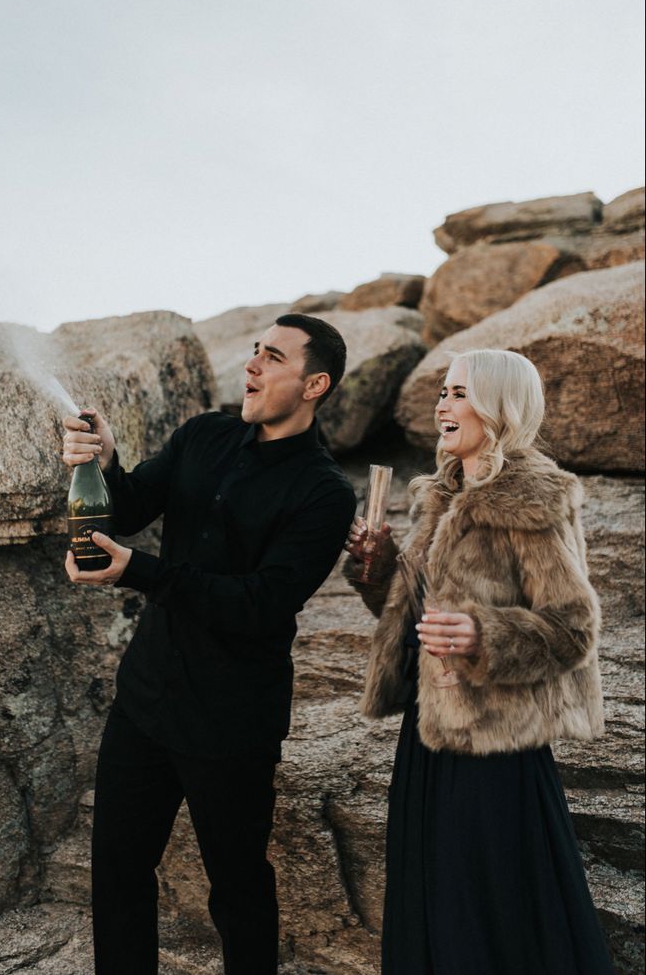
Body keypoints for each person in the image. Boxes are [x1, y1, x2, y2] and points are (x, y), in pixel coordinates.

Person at [61, 313, 356, 975]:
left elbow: (261, 604)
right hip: (144, 699)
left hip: (231, 722)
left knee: (239, 888)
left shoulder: (325, 493)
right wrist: (105, 461)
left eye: (272, 357)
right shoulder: (204, 434)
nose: (251, 365)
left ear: (315, 384)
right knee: (117, 871)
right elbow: (132, 506)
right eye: (254, 350)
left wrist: (140, 570)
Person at [345, 348, 614, 975]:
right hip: (427, 732)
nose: (443, 404)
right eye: (443, 391)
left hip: (495, 744)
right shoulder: (441, 495)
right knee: (433, 899)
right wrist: (378, 567)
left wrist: (483, 636)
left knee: (485, 911)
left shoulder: (532, 496)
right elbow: (408, 615)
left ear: (499, 405)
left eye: (460, 393)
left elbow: (573, 627)